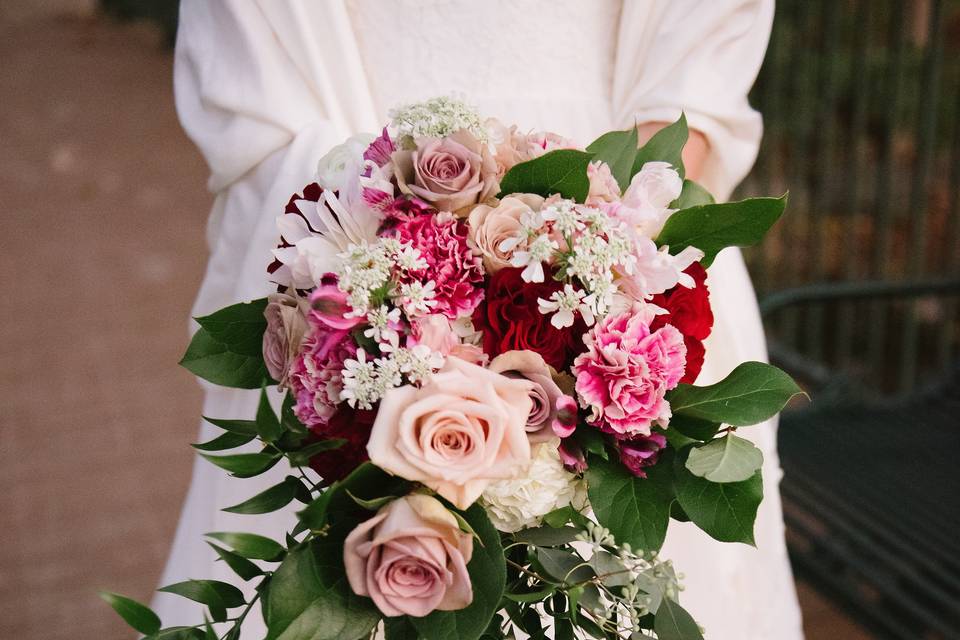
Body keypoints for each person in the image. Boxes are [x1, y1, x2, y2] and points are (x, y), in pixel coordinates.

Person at [154, 1, 804, 638]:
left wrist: (601, 256)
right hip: (364, 228)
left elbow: (699, 73)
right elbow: (251, 92)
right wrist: (401, 280)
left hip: (613, 240)